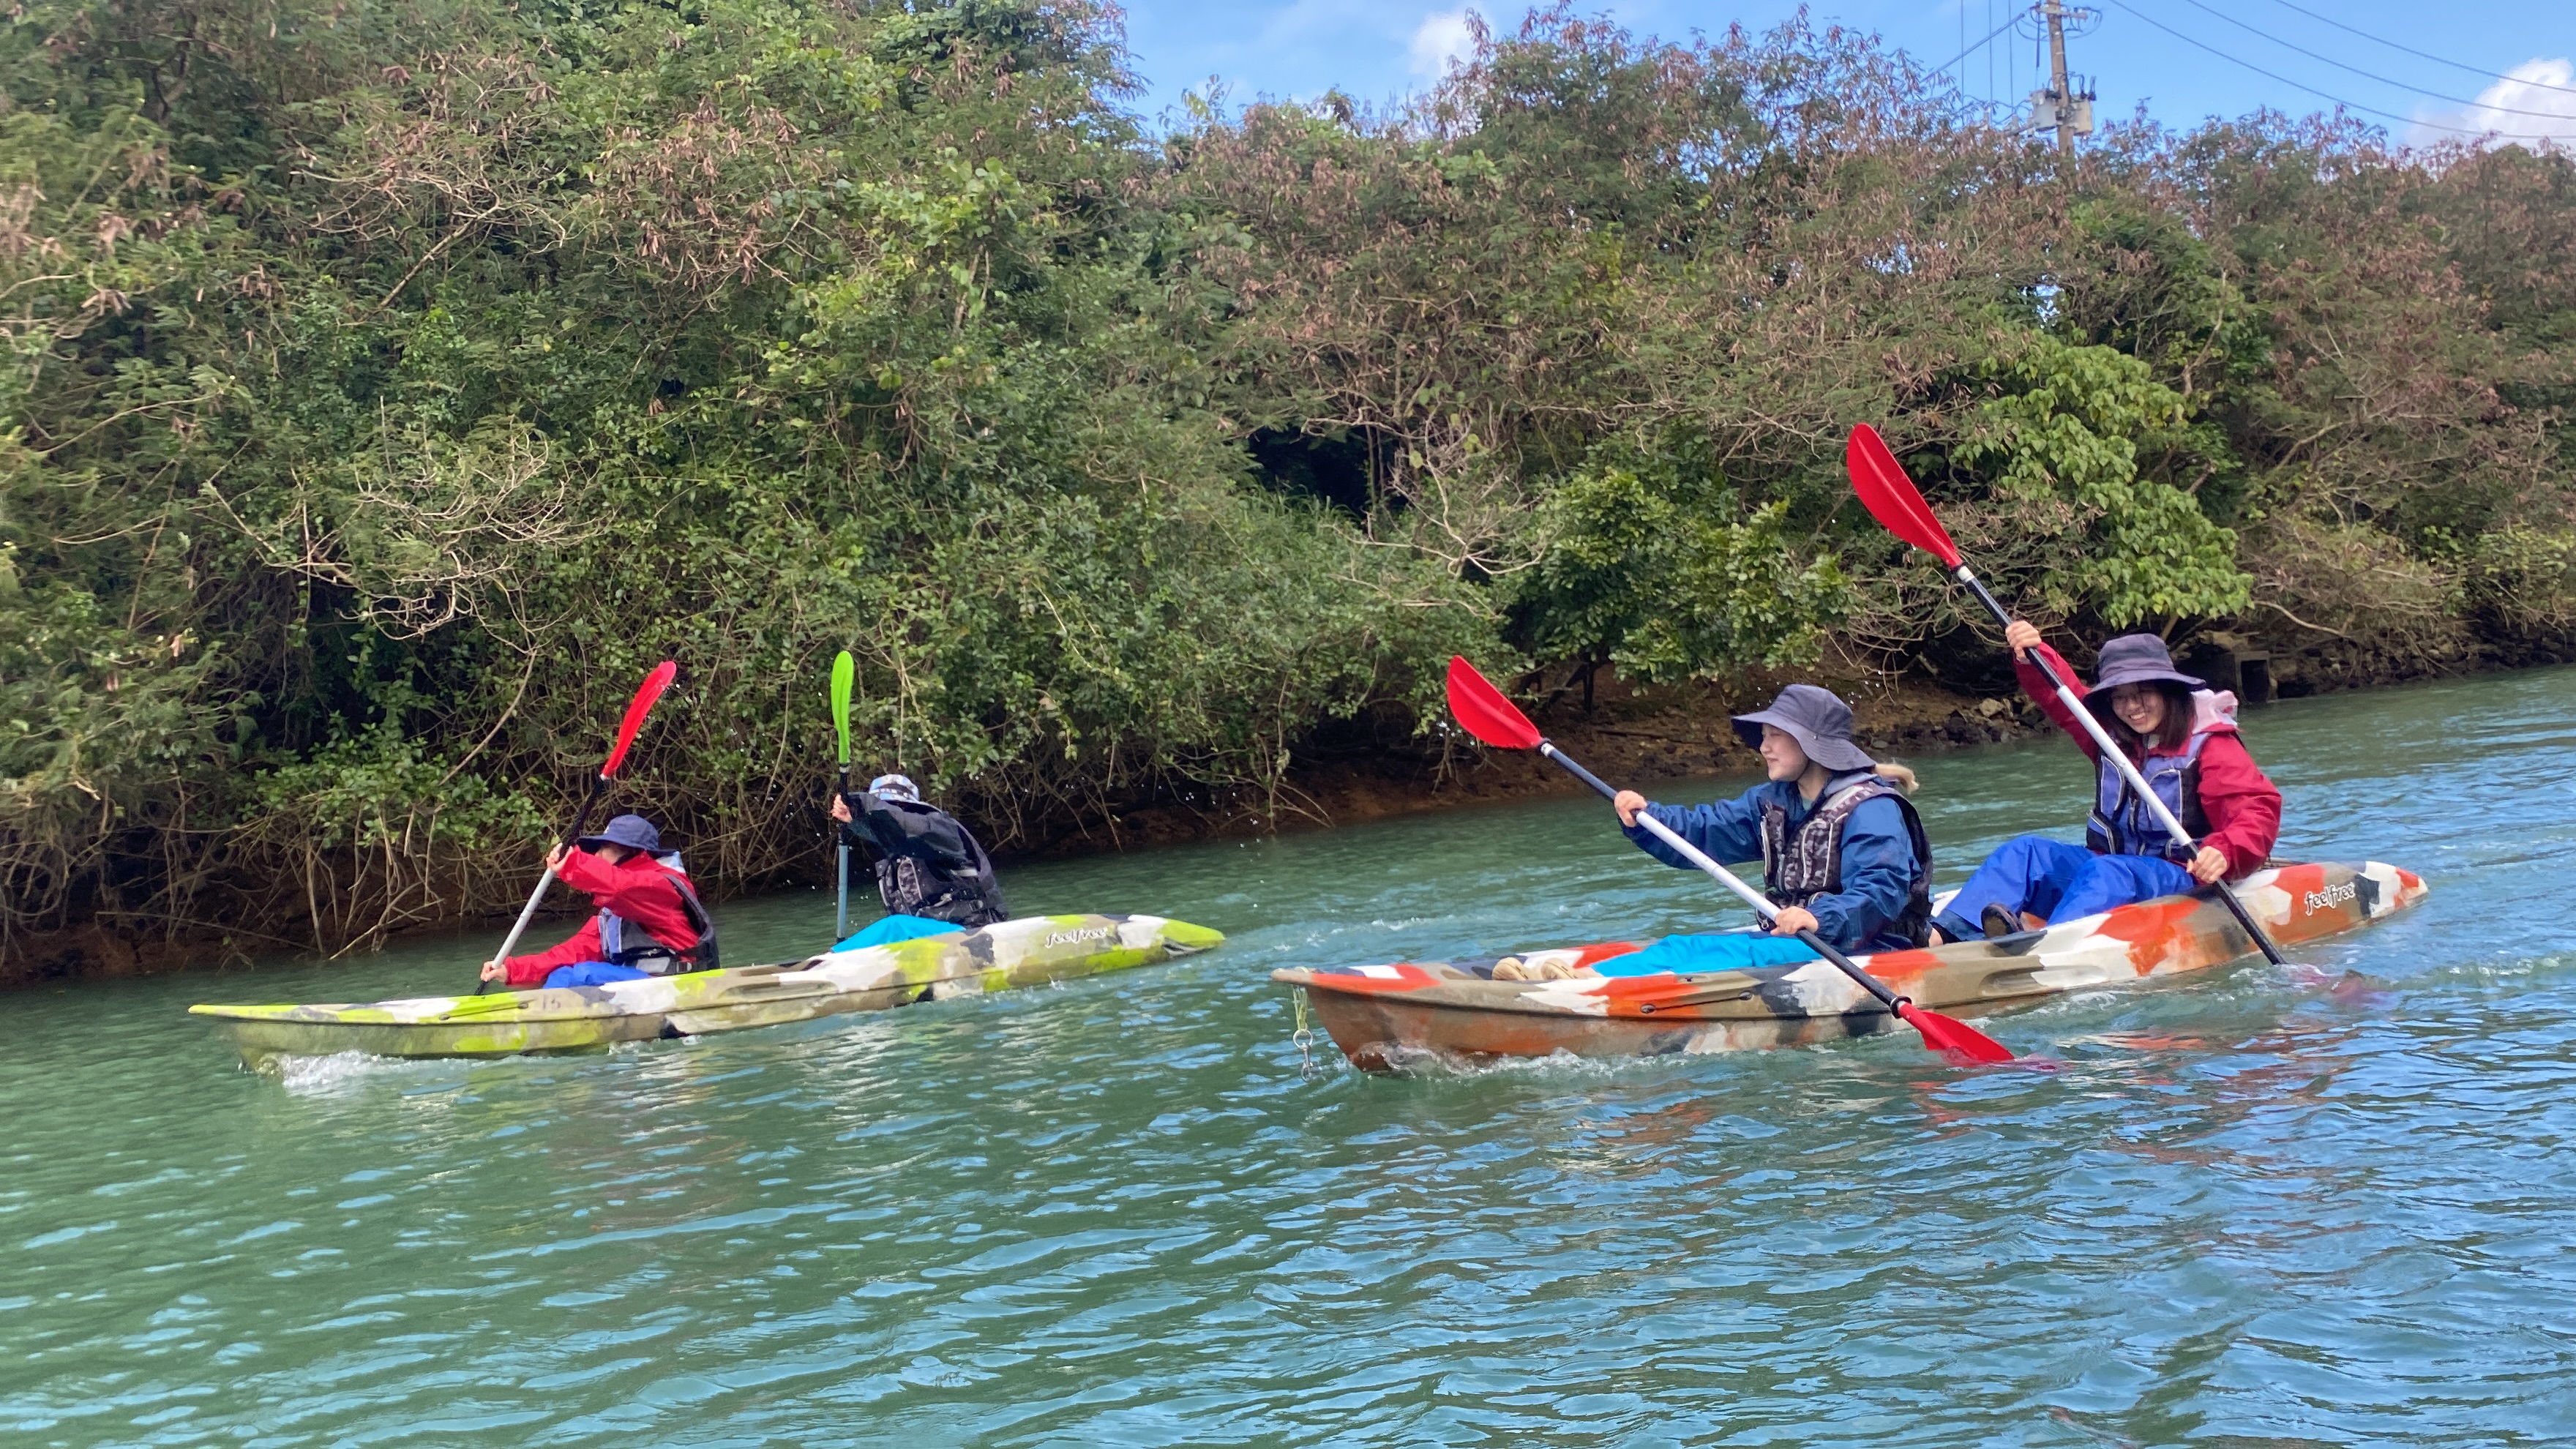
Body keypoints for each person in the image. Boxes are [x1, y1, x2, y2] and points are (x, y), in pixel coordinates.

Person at [1499, 684, 1930, 981]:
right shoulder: (1774, 800)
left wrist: (1819, 918)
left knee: (1685, 954)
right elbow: (1703, 833)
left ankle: (1581, 981)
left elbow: (1880, 892)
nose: (1764, 746)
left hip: (1864, 949)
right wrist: (1646, 819)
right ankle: (1581, 975)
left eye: (1777, 736)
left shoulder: (1873, 810)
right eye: (1765, 735)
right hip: (1798, 942)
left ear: (1812, 744)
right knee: (1682, 946)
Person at [1928, 621, 2282, 943]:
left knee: (2106, 871)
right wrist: (2033, 655)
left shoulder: (2210, 743)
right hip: (2112, 869)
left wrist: (2224, 851)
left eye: (2142, 693)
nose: (2131, 707)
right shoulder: (2109, 735)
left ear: (2167, 691)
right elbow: (2062, 697)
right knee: (2025, 852)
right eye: (2120, 696)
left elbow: (2256, 809)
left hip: (2180, 876)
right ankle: (1946, 938)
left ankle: (2052, 950)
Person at [480, 814, 719, 989]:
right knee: (566, 970)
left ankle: (542, 1029)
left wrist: (573, 863)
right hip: (646, 987)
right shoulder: (614, 912)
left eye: (604, 847)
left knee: (578, 976)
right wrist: (512, 970)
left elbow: (621, 886)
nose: (596, 855)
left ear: (631, 851)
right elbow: (575, 952)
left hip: (682, 985)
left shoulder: (661, 887)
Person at [829, 774, 1008, 948]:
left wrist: (863, 802)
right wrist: (853, 821)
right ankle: (833, 961)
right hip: (932, 940)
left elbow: (908, 827)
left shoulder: (942, 830)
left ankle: (830, 960)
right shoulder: (897, 851)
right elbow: (886, 832)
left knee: (896, 926)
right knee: (896, 929)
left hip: (974, 932)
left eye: (896, 806)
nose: (887, 815)